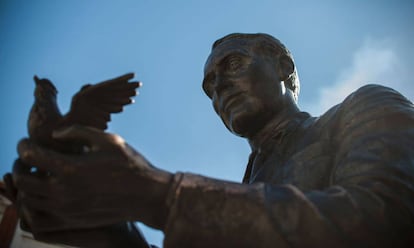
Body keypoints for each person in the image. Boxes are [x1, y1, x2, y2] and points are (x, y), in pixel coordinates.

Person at [6, 33, 414, 247]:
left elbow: (387, 219)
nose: (219, 87)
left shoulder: (365, 107)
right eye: (209, 85)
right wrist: (112, 232)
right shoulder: (240, 194)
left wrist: (161, 196)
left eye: (232, 65)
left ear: (284, 68)